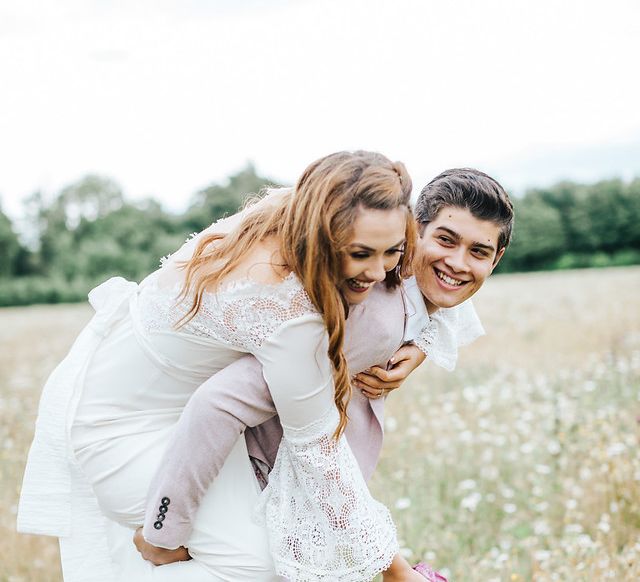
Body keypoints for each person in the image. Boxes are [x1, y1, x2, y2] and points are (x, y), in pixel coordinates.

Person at [18, 150, 439, 582]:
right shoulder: (288, 310)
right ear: (323, 233)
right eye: (360, 254)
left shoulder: (293, 208)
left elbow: (448, 271)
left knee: (273, 550)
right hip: (122, 426)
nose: (377, 272)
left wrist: (426, 339)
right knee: (254, 564)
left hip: (193, 424)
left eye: (393, 252)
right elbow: (317, 450)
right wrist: (397, 571)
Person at [131, 168, 514, 579]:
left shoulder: (404, 292)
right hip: (251, 482)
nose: (457, 263)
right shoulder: (374, 314)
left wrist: (421, 345)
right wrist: (163, 530)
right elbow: (219, 402)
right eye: (445, 240)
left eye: (478, 252)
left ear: (497, 259)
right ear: (411, 233)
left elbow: (446, 303)